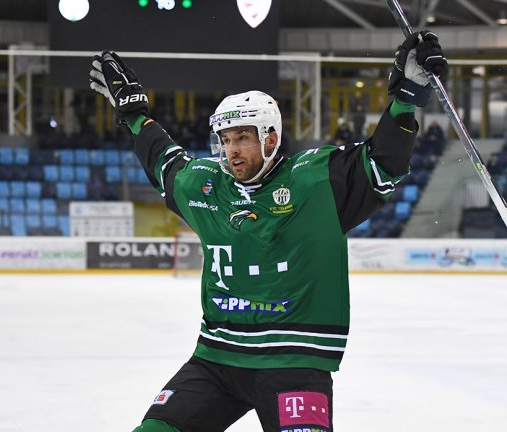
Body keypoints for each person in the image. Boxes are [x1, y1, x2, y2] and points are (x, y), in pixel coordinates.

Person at [90, 31, 447, 432]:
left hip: (294, 362)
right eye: (225, 140)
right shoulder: (205, 185)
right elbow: (163, 160)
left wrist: (407, 96)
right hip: (216, 359)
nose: (231, 151)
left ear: (271, 138)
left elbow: (383, 163)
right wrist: (134, 114)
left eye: (242, 138)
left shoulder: (315, 182)